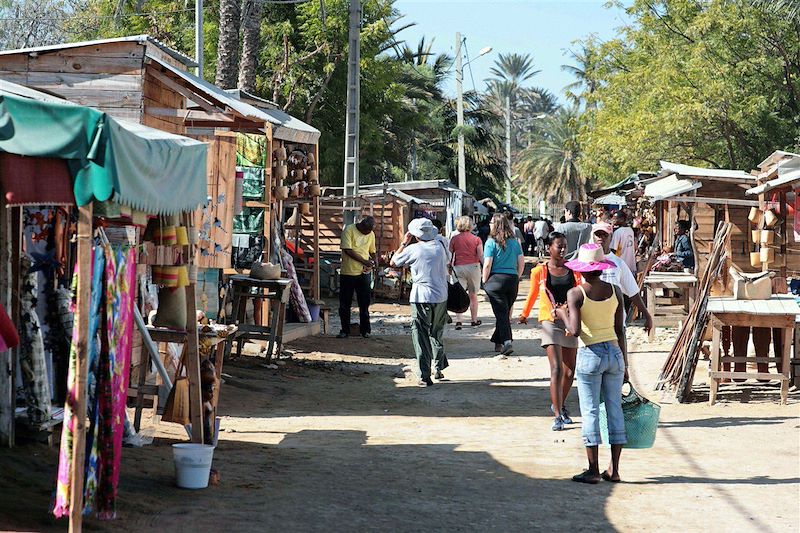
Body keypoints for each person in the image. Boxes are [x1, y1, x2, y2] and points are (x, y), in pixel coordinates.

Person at [555, 243, 627, 484]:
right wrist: (624, 363)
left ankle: (593, 470)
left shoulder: (576, 293)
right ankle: (614, 469)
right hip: (615, 353)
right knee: (614, 409)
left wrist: (561, 313)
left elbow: (574, 331)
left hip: (591, 354)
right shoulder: (616, 291)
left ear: (582, 270)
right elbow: (620, 330)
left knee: (591, 411)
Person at [518, 231, 581, 430]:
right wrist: (524, 314)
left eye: (564, 246)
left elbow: (581, 294)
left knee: (570, 372)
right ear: (549, 248)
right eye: (558, 246)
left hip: (569, 321)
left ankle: (559, 404)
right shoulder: (539, 271)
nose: (562, 249)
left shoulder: (574, 270)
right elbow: (533, 294)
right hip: (549, 321)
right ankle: (557, 416)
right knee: (556, 368)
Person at [390, 218, 450, 386]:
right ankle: (438, 367)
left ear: (415, 235)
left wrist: (403, 243)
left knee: (421, 334)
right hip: (441, 296)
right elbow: (448, 262)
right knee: (436, 332)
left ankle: (424, 375)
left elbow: (393, 262)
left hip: (421, 297)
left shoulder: (414, 249)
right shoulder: (441, 246)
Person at [590, 222, 654, 333]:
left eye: (605, 235)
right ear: (593, 237)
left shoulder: (618, 263)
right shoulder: (586, 263)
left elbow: (632, 291)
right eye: (598, 235)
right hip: (592, 324)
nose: (601, 238)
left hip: (615, 323)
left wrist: (646, 315)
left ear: (611, 237)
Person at [483, 213, 524, 355]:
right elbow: (521, 262)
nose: (489, 224)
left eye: (491, 222)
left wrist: (484, 281)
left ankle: (507, 342)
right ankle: (497, 341)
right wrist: (517, 277)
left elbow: (487, 264)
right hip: (512, 280)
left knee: (501, 314)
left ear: (495, 225)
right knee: (504, 312)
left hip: (496, 280)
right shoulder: (515, 241)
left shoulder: (490, 242)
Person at [338, 216, 376, 339]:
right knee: (345, 303)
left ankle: (365, 330)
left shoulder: (371, 234)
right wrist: (364, 261)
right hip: (348, 272)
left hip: (363, 273)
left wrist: (374, 260)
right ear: (361, 226)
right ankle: (345, 330)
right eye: (366, 231)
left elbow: (372, 250)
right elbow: (347, 250)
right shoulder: (349, 230)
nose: (367, 234)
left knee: (364, 303)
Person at [450, 216, 483, 329]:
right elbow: (480, 256)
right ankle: (473, 320)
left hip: (458, 267)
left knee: (459, 294)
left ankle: (459, 321)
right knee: (473, 295)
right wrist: (486, 267)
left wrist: (448, 267)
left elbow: (450, 255)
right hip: (473, 267)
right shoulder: (477, 239)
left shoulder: (454, 239)